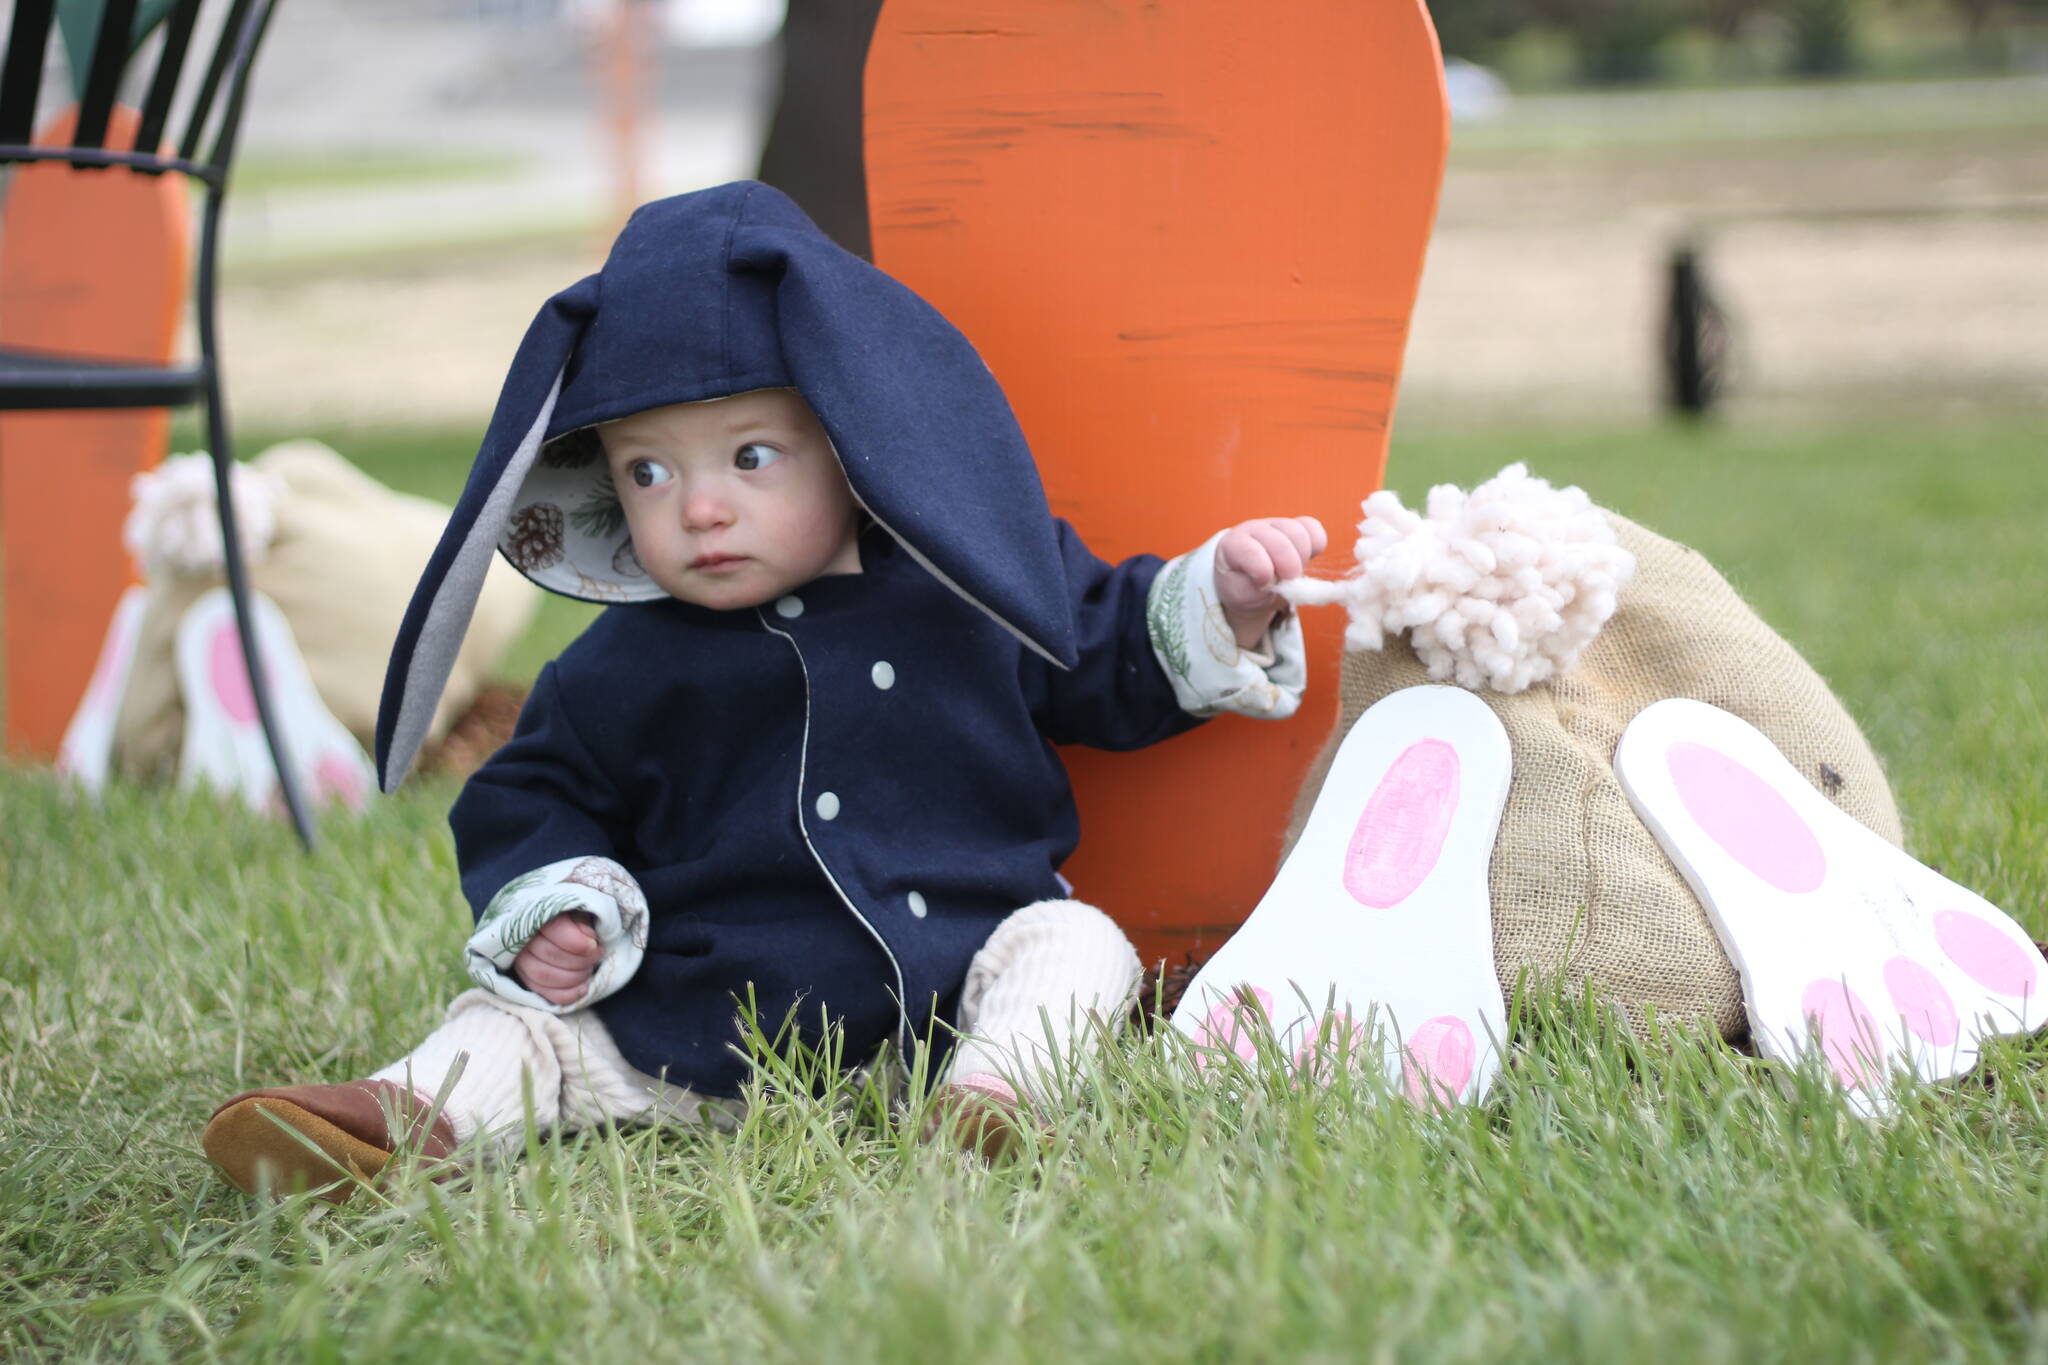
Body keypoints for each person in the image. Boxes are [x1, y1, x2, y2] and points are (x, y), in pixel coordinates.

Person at [200, 182, 1326, 1197]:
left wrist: (1220, 599)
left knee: (1074, 948)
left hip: (940, 1016)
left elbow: (1106, 644)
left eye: (749, 457)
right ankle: (406, 1116)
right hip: (690, 1035)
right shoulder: (617, 667)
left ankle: (998, 1102)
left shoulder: (965, 587)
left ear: (848, 444)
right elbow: (530, 793)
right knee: (523, 1033)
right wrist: (561, 903)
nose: (698, 508)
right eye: (649, 470)